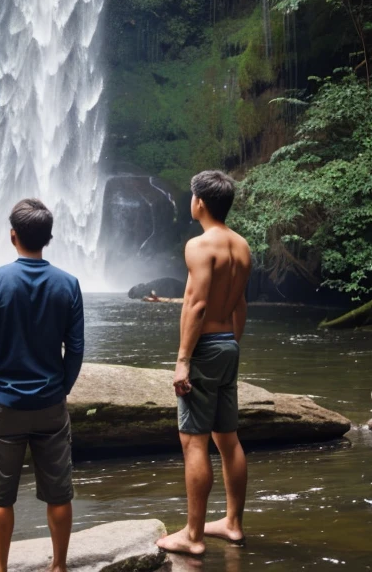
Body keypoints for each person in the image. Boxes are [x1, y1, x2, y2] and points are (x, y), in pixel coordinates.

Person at [0, 198, 85, 572]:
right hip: (51, 404)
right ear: (49, 238)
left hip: (5, 403)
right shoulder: (69, 284)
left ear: (12, 236)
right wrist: (62, 388)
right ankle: (59, 566)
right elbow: (77, 346)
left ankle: (0, 565)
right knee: (59, 492)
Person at [157, 170, 252, 558]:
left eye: (192, 195)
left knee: (193, 441)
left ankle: (193, 535)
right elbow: (241, 304)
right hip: (228, 343)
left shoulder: (199, 245)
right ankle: (232, 523)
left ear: (201, 203)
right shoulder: (242, 246)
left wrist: (183, 361)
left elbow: (195, 305)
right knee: (227, 439)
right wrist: (231, 344)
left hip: (206, 347)